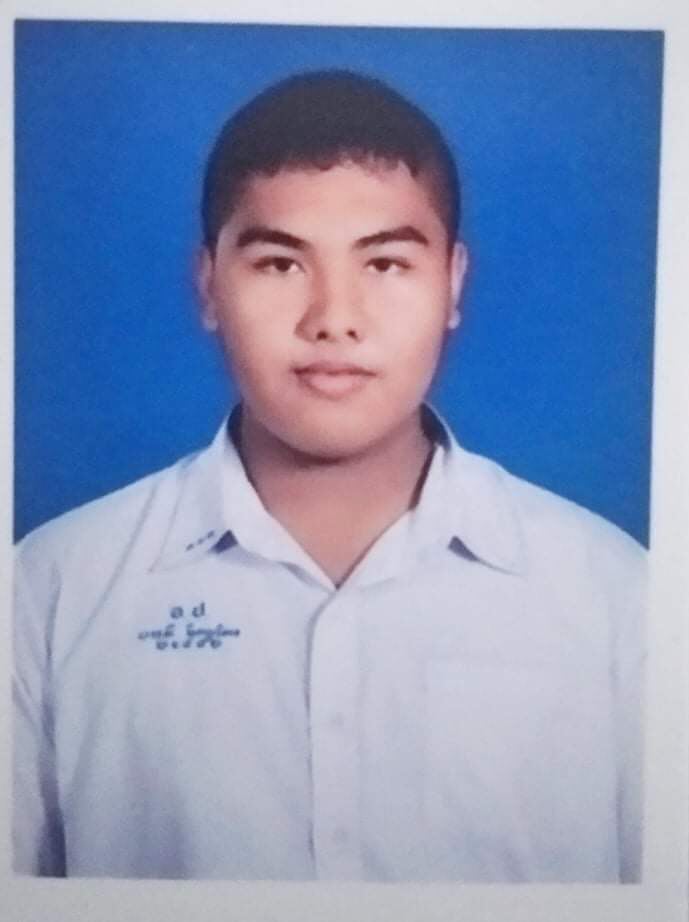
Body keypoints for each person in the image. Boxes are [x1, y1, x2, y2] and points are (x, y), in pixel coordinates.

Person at [13, 70, 645, 882]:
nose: (334, 319)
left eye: (385, 264)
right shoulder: (50, 589)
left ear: (452, 283)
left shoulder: (617, 596)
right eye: (280, 264)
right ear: (208, 286)